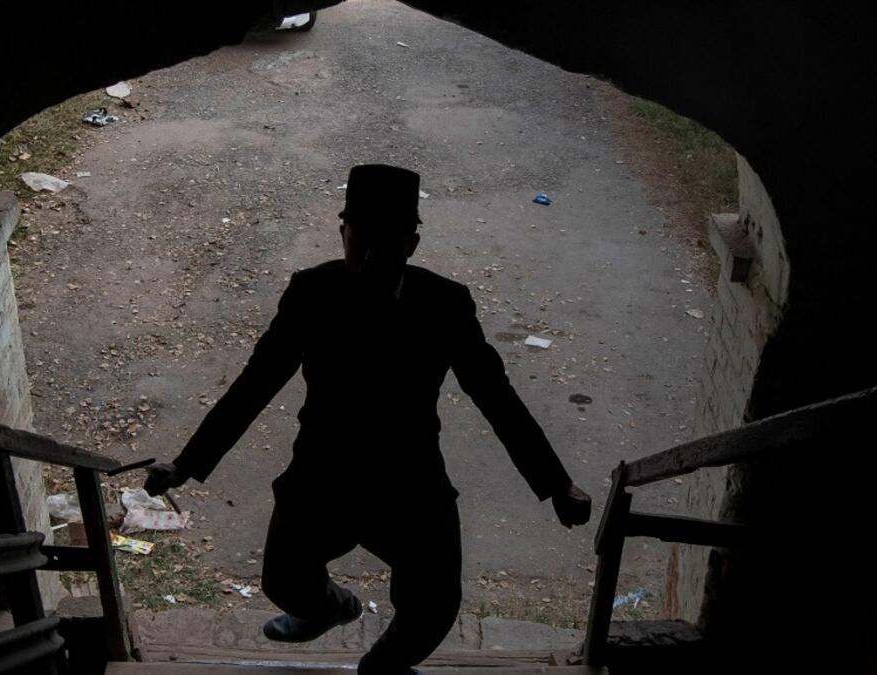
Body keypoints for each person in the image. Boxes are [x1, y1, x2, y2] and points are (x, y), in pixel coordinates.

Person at [145, 163, 593, 674]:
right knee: (284, 582)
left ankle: (380, 670)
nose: (371, 258)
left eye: (387, 245)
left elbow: (496, 395)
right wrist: (187, 463)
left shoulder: (445, 304)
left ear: (412, 245)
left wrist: (556, 483)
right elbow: (256, 383)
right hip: (323, 474)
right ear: (342, 235)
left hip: (410, 481)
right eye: (360, 243)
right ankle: (329, 608)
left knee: (435, 604)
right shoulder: (311, 294)